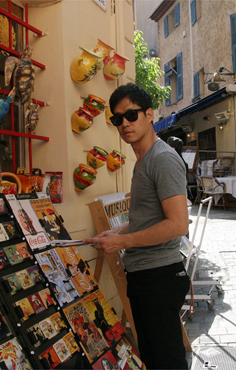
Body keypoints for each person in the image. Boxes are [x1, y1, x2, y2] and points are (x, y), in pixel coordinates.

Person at [83, 83, 190, 369]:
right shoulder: (142, 159)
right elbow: (147, 219)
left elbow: (178, 224)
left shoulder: (162, 159)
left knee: (167, 362)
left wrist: (123, 243)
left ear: (150, 114)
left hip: (160, 277)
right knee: (154, 359)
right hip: (143, 275)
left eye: (131, 115)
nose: (125, 124)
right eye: (117, 119)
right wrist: (115, 233)